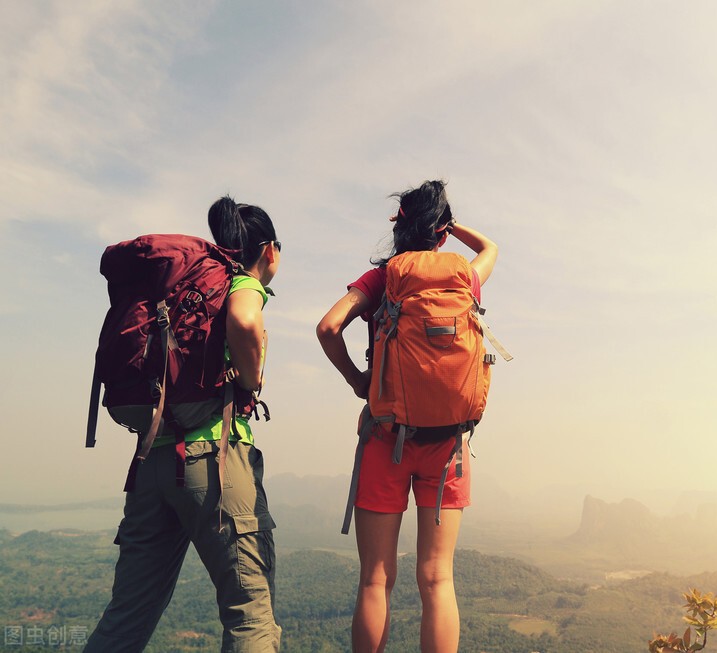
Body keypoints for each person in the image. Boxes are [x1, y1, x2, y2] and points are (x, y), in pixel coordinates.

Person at [85, 196, 282, 653]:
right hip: (212, 462)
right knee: (250, 616)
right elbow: (245, 320)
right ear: (270, 250)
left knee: (125, 618)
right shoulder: (241, 280)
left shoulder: (180, 286)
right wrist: (253, 380)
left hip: (151, 463)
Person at [316, 180, 498, 653]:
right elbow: (491, 247)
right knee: (437, 580)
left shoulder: (383, 280)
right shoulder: (463, 277)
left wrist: (360, 381)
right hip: (448, 447)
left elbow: (328, 327)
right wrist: (449, 226)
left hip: (384, 438)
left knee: (375, 579)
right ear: (441, 231)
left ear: (401, 226)